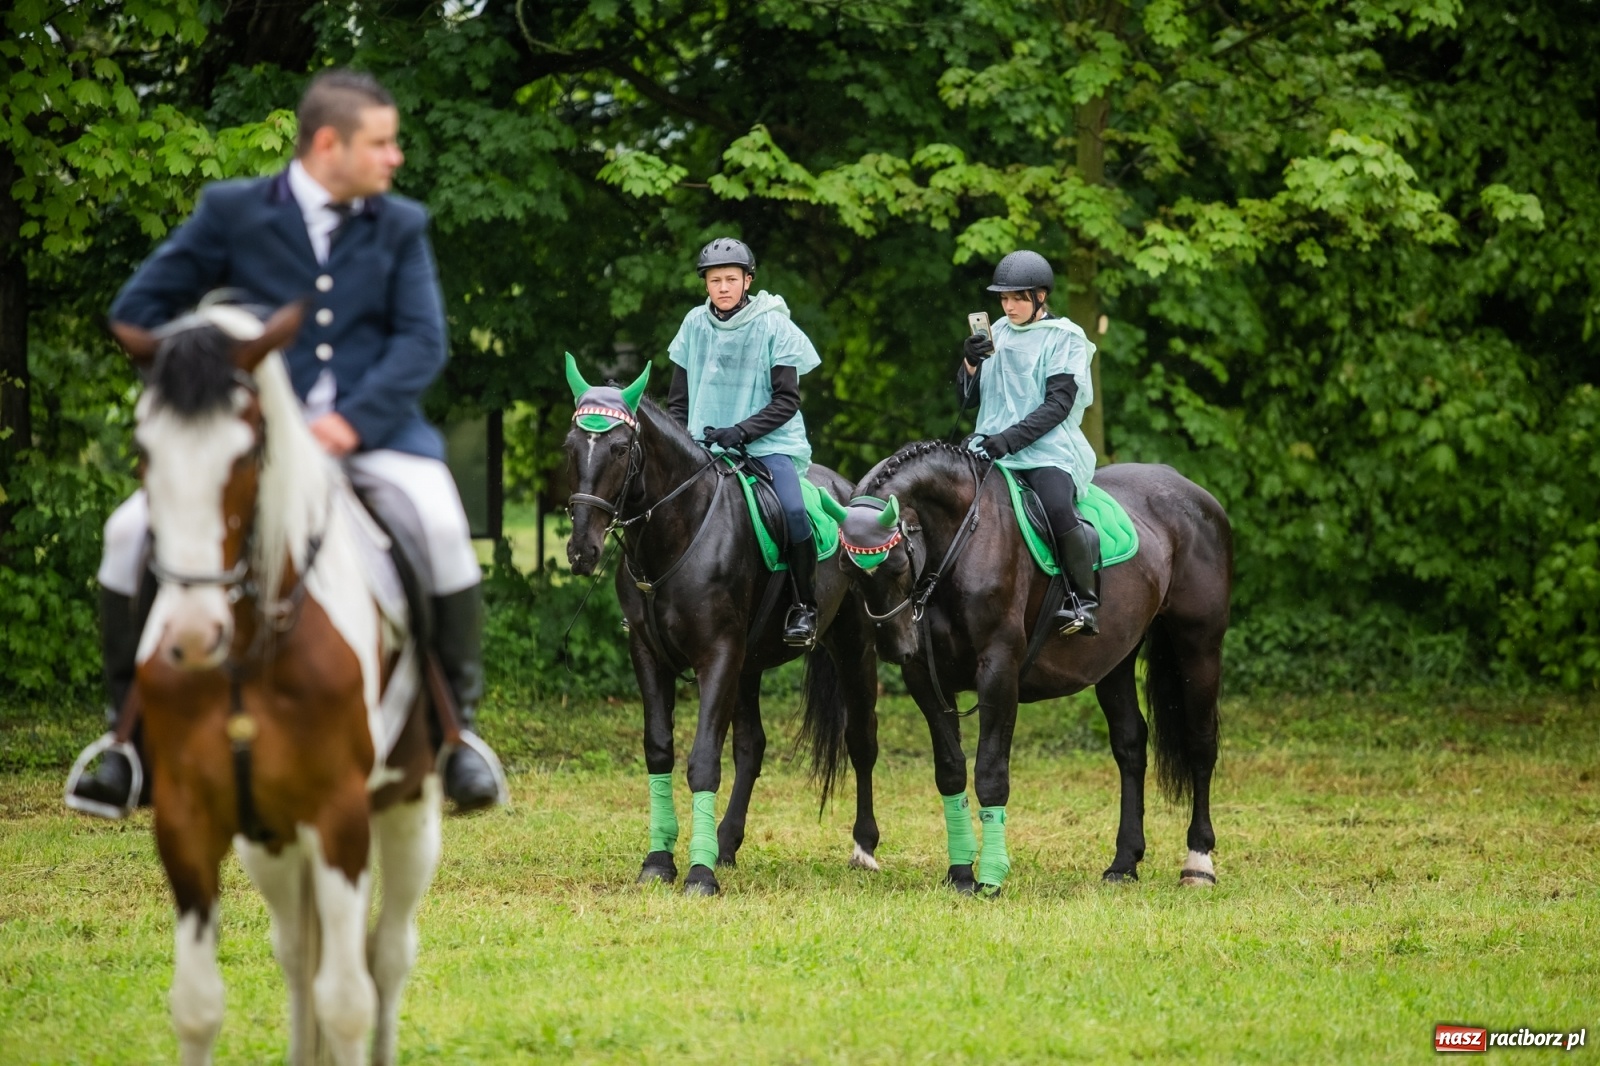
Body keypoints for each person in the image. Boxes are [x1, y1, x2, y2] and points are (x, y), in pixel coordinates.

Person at [68, 69, 503, 814]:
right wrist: (217, 369)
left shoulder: (399, 224)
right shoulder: (232, 211)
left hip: (374, 438)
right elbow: (139, 311)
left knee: (439, 527)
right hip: (250, 446)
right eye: (382, 143)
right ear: (329, 144)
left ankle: (455, 736)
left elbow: (422, 342)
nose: (395, 157)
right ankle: (124, 743)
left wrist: (350, 422)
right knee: (125, 531)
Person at [666, 237, 822, 646]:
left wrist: (742, 432)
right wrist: (684, 444)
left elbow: (787, 399)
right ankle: (651, 605)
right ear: (706, 285)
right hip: (704, 447)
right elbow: (678, 404)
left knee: (793, 511)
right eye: (715, 280)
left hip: (770, 446)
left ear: (747, 280)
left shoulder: (774, 324)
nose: (722, 287)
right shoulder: (693, 326)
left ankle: (805, 606)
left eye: (731, 279)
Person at [958, 249, 1100, 635]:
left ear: (1040, 296)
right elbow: (967, 400)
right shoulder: (995, 333)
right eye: (1004, 298)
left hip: (1046, 450)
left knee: (1056, 507)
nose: (1009, 306)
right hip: (989, 447)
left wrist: (1009, 440)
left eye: (1018, 297)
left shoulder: (1065, 338)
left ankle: (1084, 602)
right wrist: (970, 363)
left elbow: (1058, 405)